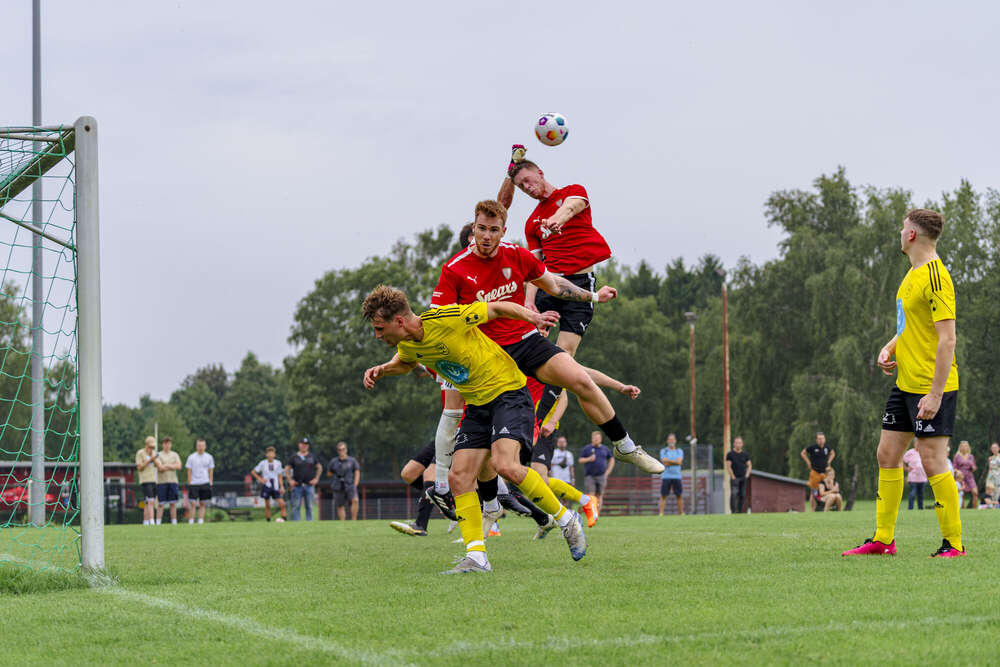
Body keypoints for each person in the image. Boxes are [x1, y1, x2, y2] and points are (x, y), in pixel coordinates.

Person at [429, 199, 663, 484]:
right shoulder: (454, 269)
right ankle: (479, 501)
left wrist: (592, 296)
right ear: (474, 228)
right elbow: (437, 320)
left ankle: (625, 445)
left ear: (503, 231)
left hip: (525, 341)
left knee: (579, 379)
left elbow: (554, 285)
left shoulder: (516, 255)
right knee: (488, 453)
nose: (486, 236)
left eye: (493, 230)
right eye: (481, 229)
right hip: (488, 358)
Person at [361, 284, 587, 574]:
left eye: (380, 329)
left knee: (506, 465)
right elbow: (405, 363)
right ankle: (477, 557)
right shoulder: (406, 344)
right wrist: (381, 369)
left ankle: (568, 521)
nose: (378, 336)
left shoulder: (445, 318)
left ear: (399, 321)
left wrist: (533, 318)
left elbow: (497, 308)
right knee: (459, 477)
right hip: (478, 405)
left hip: (509, 393)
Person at [843, 209, 965, 558]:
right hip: (905, 383)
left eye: (903, 227)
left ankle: (953, 545)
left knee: (932, 460)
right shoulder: (910, 276)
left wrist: (936, 394)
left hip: (931, 386)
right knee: (887, 454)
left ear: (912, 235)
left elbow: (948, 340)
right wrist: (889, 347)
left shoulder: (937, 278)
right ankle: (883, 540)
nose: (900, 232)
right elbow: (908, 327)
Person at [285, 437, 321, 521]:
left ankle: (309, 524)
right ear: (299, 445)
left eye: (306, 444)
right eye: (302, 444)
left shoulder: (312, 456)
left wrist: (316, 478)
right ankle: (297, 524)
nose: (304, 446)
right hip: (297, 486)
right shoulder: (294, 457)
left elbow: (319, 467)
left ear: (308, 446)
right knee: (296, 506)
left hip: (309, 485)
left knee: (310, 506)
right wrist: (290, 480)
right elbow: (287, 469)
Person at [579, 432, 614, 511]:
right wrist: (589, 459)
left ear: (601, 439)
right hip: (590, 476)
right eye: (594, 438)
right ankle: (591, 512)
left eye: (597, 438)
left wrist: (608, 471)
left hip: (602, 476)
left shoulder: (605, 449)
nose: (596, 440)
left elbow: (611, 459)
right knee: (591, 495)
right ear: (592, 439)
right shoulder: (587, 448)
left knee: (599, 495)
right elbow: (580, 460)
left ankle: (597, 513)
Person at [251, 446, 287, 522]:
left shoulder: (278, 463)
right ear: (266, 454)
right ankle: (268, 520)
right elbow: (253, 472)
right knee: (267, 505)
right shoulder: (263, 463)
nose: (271, 455)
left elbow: (279, 476)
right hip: (266, 485)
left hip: (275, 486)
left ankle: (284, 519)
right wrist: (260, 479)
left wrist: (282, 487)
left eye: (272, 453)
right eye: (269, 453)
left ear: (274, 455)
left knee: (282, 503)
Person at [801, 432, 835, 511]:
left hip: (825, 473)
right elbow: (803, 453)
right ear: (816, 440)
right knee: (814, 492)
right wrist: (808, 462)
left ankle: (825, 508)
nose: (821, 440)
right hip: (815, 472)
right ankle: (812, 509)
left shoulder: (827, 448)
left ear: (825, 439)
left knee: (825, 491)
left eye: (822, 438)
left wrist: (829, 461)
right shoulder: (813, 447)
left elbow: (833, 453)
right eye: (819, 439)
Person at [328, 442, 361, 521]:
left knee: (355, 500)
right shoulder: (334, 461)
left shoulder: (352, 461)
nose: (341, 451)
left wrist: (355, 484)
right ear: (337, 451)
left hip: (350, 484)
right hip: (338, 485)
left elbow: (357, 472)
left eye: (343, 449)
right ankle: (343, 522)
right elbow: (329, 473)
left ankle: (353, 520)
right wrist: (337, 472)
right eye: (339, 450)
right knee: (340, 505)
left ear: (346, 450)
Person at [185, 439, 215, 524]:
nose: (200, 447)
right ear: (196, 446)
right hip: (194, 483)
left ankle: (200, 520)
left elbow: (211, 470)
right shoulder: (191, 457)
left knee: (202, 503)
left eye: (202, 446)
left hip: (205, 482)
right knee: (193, 503)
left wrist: (210, 482)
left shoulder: (209, 457)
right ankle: (191, 520)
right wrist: (189, 482)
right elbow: (189, 470)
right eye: (199, 445)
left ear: (205, 446)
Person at [154, 436, 182, 524]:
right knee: (161, 504)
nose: (167, 445)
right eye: (165, 443)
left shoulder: (175, 454)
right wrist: (171, 465)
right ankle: (158, 522)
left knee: (173, 503)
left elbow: (179, 466)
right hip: (161, 482)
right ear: (162, 444)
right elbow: (160, 468)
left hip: (173, 481)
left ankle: (174, 521)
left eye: (169, 443)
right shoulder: (158, 454)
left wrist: (167, 465)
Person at [658, 433, 685, 516]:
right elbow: (664, 461)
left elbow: (679, 462)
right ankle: (661, 514)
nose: (671, 441)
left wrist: (669, 462)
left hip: (677, 477)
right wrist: (675, 462)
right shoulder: (663, 451)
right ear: (667, 441)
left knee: (679, 495)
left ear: (675, 441)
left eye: (672, 439)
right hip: (666, 476)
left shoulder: (679, 451)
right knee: (663, 495)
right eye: (670, 439)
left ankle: (681, 513)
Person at [135, 436, 159, 525]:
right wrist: (149, 460)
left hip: (153, 480)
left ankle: (145, 522)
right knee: (151, 501)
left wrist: (154, 459)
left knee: (147, 502)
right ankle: (152, 521)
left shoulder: (154, 453)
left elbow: (158, 466)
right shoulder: (140, 453)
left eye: (153, 447)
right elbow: (139, 467)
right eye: (150, 447)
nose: (151, 449)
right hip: (145, 480)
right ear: (146, 445)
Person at [725, 436, 752, 513]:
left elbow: (749, 465)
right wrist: (732, 476)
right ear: (734, 444)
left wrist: (747, 474)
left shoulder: (745, 454)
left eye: (739, 443)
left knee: (742, 495)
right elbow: (728, 466)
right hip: (735, 478)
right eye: (736, 443)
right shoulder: (730, 454)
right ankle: (733, 511)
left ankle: (740, 511)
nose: (738, 444)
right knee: (734, 494)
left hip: (743, 477)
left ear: (742, 444)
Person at [952, 440, 978, 509]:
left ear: (968, 447)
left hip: (970, 476)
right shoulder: (957, 456)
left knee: (975, 492)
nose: (964, 448)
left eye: (965, 446)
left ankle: (974, 509)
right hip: (960, 477)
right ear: (960, 447)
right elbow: (954, 468)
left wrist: (973, 467)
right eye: (962, 446)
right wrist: (958, 472)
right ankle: (963, 509)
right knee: (962, 494)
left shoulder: (971, 456)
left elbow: (974, 467)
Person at [902, 440, 927, 510]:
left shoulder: (924, 452)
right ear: (914, 444)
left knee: (921, 495)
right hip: (913, 478)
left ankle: (920, 508)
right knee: (912, 494)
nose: (918, 445)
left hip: (923, 478)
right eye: (917, 443)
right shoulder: (910, 453)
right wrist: (906, 468)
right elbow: (901, 460)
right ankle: (910, 508)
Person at [985, 442, 1000, 509]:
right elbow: (989, 468)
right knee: (990, 491)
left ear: (998, 448)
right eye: (992, 448)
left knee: (997, 491)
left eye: (995, 447)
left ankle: (996, 505)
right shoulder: (990, 458)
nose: (994, 449)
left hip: (998, 476)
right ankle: (990, 506)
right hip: (991, 477)